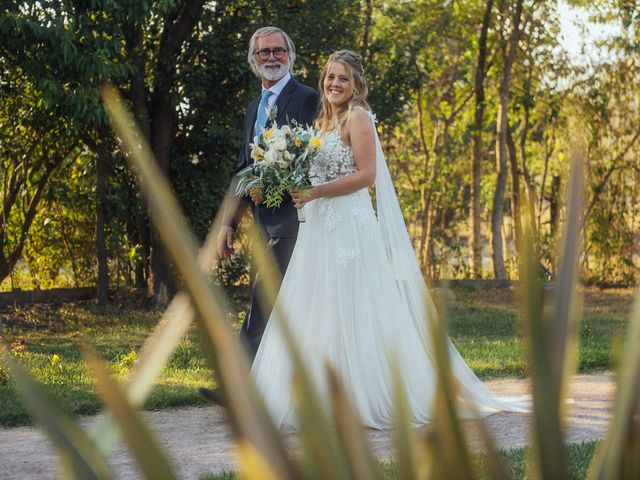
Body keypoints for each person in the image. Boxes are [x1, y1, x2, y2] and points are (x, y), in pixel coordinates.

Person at [250, 50, 529, 430]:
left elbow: (366, 176)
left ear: (356, 85)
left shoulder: (358, 118)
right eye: (331, 77)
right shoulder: (321, 121)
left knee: (350, 303)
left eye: (343, 79)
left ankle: (361, 394)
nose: (335, 84)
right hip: (317, 226)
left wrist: (316, 193)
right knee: (317, 303)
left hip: (347, 225)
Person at [198, 27, 319, 404]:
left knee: (263, 298)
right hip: (262, 222)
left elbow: (320, 154)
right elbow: (242, 170)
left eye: (278, 50)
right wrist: (228, 224)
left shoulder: (308, 99)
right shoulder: (255, 107)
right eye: (263, 51)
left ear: (290, 55)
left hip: (297, 219)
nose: (271, 56)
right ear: (253, 60)